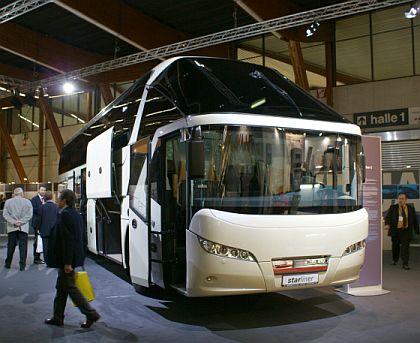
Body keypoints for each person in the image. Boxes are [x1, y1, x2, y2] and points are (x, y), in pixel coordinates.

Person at [45, 189, 100, 328]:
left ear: (64, 201)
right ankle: (58, 317)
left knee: (70, 288)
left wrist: (68, 263)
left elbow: (68, 241)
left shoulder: (65, 215)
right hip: (73, 257)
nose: (57, 201)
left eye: (59, 199)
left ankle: (90, 313)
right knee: (61, 288)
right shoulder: (75, 214)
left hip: (67, 261)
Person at [385, 192, 419, 270]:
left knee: (405, 247)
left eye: (402, 199)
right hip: (395, 230)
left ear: (406, 200)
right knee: (395, 245)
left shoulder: (410, 208)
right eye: (399, 199)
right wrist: (387, 224)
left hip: (406, 230)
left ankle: (405, 263)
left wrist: (417, 231)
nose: (400, 200)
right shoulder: (393, 207)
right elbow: (388, 217)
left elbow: (414, 220)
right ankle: (395, 259)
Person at [3, 187, 33, 271]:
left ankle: (8, 264)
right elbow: (29, 215)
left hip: (12, 227)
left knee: (10, 246)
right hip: (23, 227)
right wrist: (21, 222)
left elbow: (5, 215)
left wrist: (14, 222)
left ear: (14, 194)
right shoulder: (27, 202)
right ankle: (22, 266)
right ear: (22, 194)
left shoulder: (8, 202)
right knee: (23, 247)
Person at [39, 191, 58, 261]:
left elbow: (39, 219)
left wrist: (38, 228)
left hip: (44, 230)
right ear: (52, 197)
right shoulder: (56, 207)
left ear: (45, 198)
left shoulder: (42, 207)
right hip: (54, 230)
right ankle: (53, 260)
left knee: (45, 247)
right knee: (54, 246)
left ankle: (47, 261)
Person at [31, 184, 46, 264]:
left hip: (44, 223)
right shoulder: (34, 199)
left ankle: (45, 257)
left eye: (44, 190)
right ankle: (36, 258)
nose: (43, 192)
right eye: (42, 190)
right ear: (38, 190)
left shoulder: (46, 199)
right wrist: (43, 207)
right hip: (37, 224)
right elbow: (33, 210)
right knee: (37, 241)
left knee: (45, 241)